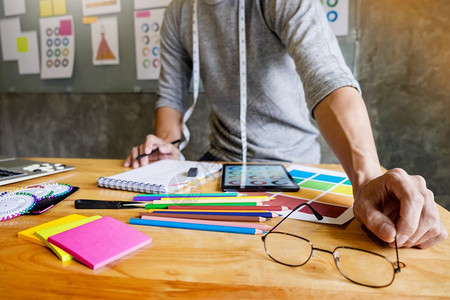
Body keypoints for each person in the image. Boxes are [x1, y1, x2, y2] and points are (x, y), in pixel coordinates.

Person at [124, 0, 447, 248]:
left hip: (293, 162)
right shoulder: (180, 11)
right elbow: (171, 97)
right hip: (220, 160)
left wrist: (367, 178)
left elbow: (328, 78)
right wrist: (169, 148)